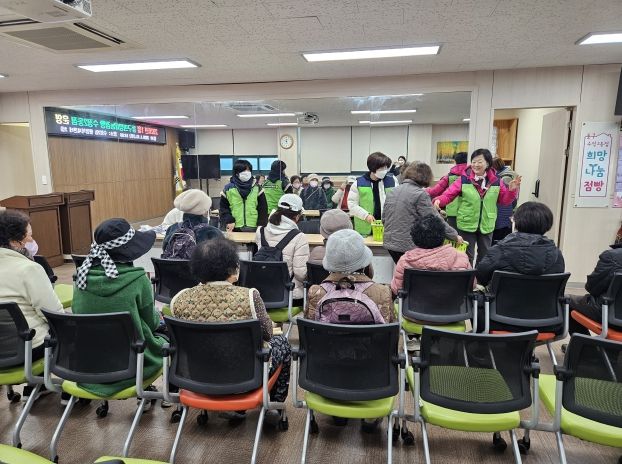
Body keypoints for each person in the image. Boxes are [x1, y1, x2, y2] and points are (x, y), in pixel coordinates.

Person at [170, 239, 291, 404]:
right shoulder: (249, 296)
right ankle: (276, 404)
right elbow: (268, 334)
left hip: (195, 377)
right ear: (231, 267)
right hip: (245, 378)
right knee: (282, 342)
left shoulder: (180, 299)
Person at [72, 218, 165, 397]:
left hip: (90, 365)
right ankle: (170, 393)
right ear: (129, 250)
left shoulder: (81, 278)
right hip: (134, 364)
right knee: (166, 335)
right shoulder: (138, 280)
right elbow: (152, 323)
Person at [433, 149, 521, 265]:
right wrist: (439, 200)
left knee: (484, 256)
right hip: (466, 222)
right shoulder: (464, 179)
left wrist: (511, 191)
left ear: (487, 163)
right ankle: (466, 276)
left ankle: (479, 276)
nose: (475, 165)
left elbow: (504, 201)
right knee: (466, 256)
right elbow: (449, 194)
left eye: (479, 162)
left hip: (487, 223)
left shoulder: (496, 181)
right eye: (473, 162)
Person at [0, 210, 63, 370]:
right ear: (16, 241)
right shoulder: (29, 269)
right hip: (28, 349)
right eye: (29, 236)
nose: (32, 240)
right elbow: (53, 313)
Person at [306, 229, 394, 324]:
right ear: (366, 263)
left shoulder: (316, 293)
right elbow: (389, 327)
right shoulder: (382, 293)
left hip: (326, 334)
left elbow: (310, 328)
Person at [383, 162, 461, 264]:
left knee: (402, 269)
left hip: (390, 243)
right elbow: (435, 219)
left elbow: (384, 218)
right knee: (412, 272)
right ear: (426, 177)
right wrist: (454, 235)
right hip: (407, 245)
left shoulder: (392, 191)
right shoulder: (420, 194)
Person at [476, 202, 565, 285]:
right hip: (544, 297)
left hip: (504, 296)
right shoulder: (556, 253)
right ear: (548, 225)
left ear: (517, 222)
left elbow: (480, 276)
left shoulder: (500, 250)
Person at [391, 214, 471, 296]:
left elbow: (396, 289)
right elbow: (472, 285)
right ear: (443, 236)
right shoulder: (461, 257)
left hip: (416, 303)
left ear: (414, 238)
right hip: (454, 303)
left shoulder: (405, 261)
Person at [255, 194, 309, 305]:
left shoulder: (260, 231)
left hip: (260, 294)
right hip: (288, 297)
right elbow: (300, 274)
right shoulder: (299, 237)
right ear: (297, 216)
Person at [569, 242, 622, 335]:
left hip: (611, 316)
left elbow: (592, 287)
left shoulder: (612, 256)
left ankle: (583, 343)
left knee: (567, 301)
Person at [348, 152, 397, 236]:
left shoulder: (392, 181)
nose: (384, 170)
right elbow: (352, 204)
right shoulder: (358, 183)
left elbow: (398, 201)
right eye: (381, 168)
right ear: (373, 168)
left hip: (387, 227)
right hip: (365, 228)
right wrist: (365, 215)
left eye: (386, 167)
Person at [220, 159, 268, 232]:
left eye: (248, 170)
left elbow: (263, 208)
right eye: (243, 170)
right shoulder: (228, 189)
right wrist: (229, 220)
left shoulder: (257, 188)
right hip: (234, 227)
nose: (246, 173)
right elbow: (223, 208)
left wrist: (261, 224)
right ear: (236, 173)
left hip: (255, 227)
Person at [426, 151, 468, 230]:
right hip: (467, 213)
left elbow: (434, 191)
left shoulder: (449, 176)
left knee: (452, 234)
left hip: (452, 212)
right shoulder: (472, 176)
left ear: (455, 162)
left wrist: (424, 189)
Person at [491, 157, 518, 243]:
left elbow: (506, 197)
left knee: (499, 238)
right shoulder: (510, 174)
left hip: (503, 211)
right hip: (508, 209)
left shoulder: (505, 177)